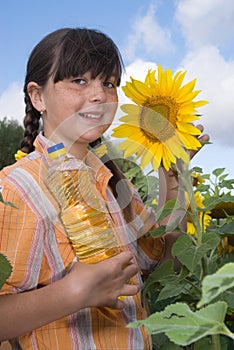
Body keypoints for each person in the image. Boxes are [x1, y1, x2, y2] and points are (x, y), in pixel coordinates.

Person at [0, 27, 209, 349]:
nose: (99, 95)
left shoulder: (114, 184)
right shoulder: (16, 188)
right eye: (79, 80)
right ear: (37, 96)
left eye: (109, 83)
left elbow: (169, 261)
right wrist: (73, 293)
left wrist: (174, 176)